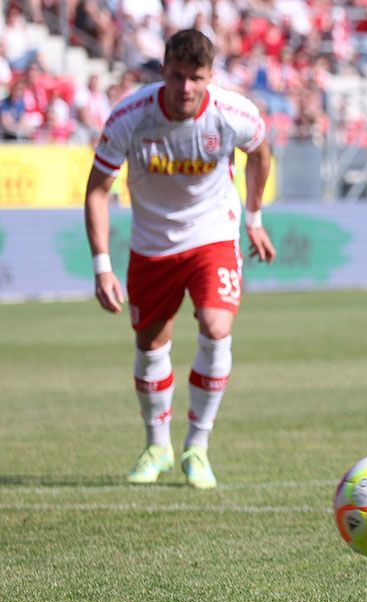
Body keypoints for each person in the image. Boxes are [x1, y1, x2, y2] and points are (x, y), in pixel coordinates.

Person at [84, 29, 275, 489]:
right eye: (176, 75)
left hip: (213, 234)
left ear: (210, 76)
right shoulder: (131, 116)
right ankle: (158, 446)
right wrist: (102, 266)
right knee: (151, 344)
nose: (186, 87)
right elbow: (97, 190)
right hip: (151, 244)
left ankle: (198, 446)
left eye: (196, 78)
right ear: (163, 70)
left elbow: (261, 154)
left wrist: (253, 217)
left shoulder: (232, 114)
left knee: (216, 326)